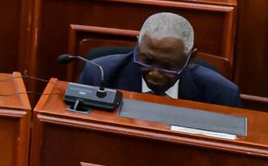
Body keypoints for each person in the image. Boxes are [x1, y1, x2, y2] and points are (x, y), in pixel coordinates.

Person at [77, 13, 239, 106]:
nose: (155, 73)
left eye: (168, 66)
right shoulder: (99, 74)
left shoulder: (220, 94)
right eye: (147, 61)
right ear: (138, 46)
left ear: (191, 58)